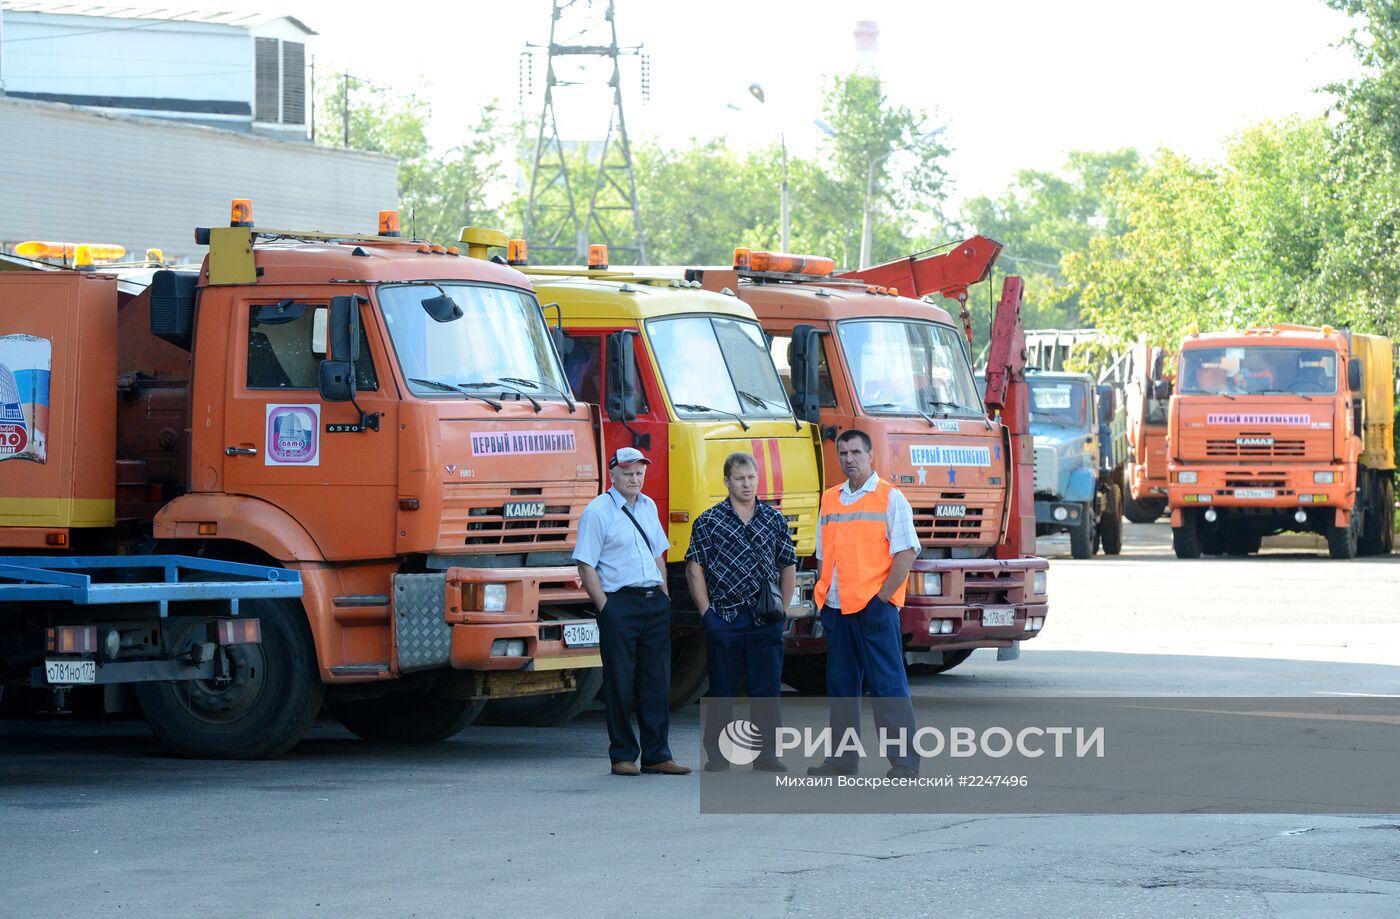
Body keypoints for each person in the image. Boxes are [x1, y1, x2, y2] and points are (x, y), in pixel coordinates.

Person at [808, 429, 921, 779]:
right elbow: (823, 555)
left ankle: (904, 762)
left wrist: (883, 598)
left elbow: (906, 553)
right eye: (843, 453)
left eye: (856, 452)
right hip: (838, 609)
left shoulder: (890, 497)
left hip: (874, 608)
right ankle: (842, 760)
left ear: (870, 455)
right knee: (841, 686)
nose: (849, 459)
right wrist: (824, 601)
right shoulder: (830, 499)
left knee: (887, 685)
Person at [574, 447, 691, 777]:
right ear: (613, 475)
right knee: (620, 682)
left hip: (654, 601)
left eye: (639, 472)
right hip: (619, 603)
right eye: (627, 472)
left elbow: (658, 556)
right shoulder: (598, 512)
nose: (634, 478)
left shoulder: (649, 506)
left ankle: (657, 754)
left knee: (657, 681)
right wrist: (606, 608)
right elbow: (586, 564)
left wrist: (665, 596)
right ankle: (623, 755)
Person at [685, 451, 797, 773]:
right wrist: (708, 615)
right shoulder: (709, 520)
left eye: (751, 478)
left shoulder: (774, 519)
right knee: (721, 690)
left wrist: (783, 612)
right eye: (739, 479)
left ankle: (767, 755)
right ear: (726, 481)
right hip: (725, 618)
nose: (747, 484)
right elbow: (695, 569)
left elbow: (788, 564)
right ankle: (717, 756)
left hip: (766, 620)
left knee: (766, 690)